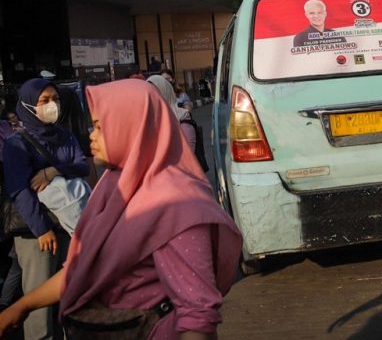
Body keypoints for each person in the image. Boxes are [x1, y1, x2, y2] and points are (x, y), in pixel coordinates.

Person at [0, 79, 242, 338]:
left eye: (99, 127)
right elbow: (83, 268)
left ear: (131, 127)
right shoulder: (115, 185)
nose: (91, 136)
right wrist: (23, 305)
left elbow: (197, 317)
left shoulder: (177, 205)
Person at [2, 79, 91, 339]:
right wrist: (42, 230)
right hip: (36, 233)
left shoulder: (64, 135)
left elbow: (82, 166)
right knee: (38, 306)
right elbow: (20, 190)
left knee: (68, 293)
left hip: (68, 228)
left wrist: (53, 170)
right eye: (44, 101)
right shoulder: (16, 144)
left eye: (55, 99)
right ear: (29, 105)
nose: (52, 105)